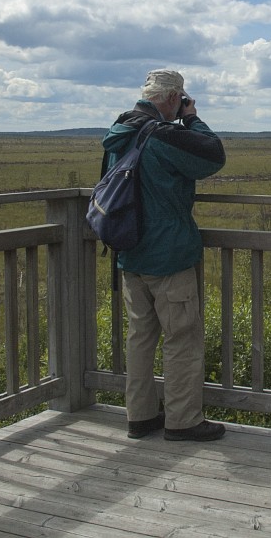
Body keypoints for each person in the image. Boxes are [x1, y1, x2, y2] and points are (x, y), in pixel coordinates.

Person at [100, 69, 227, 441]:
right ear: (173, 97)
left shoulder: (120, 131)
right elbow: (213, 155)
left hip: (129, 251)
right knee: (181, 338)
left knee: (140, 337)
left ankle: (140, 417)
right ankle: (182, 420)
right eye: (181, 99)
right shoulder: (162, 135)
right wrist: (192, 118)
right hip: (167, 253)